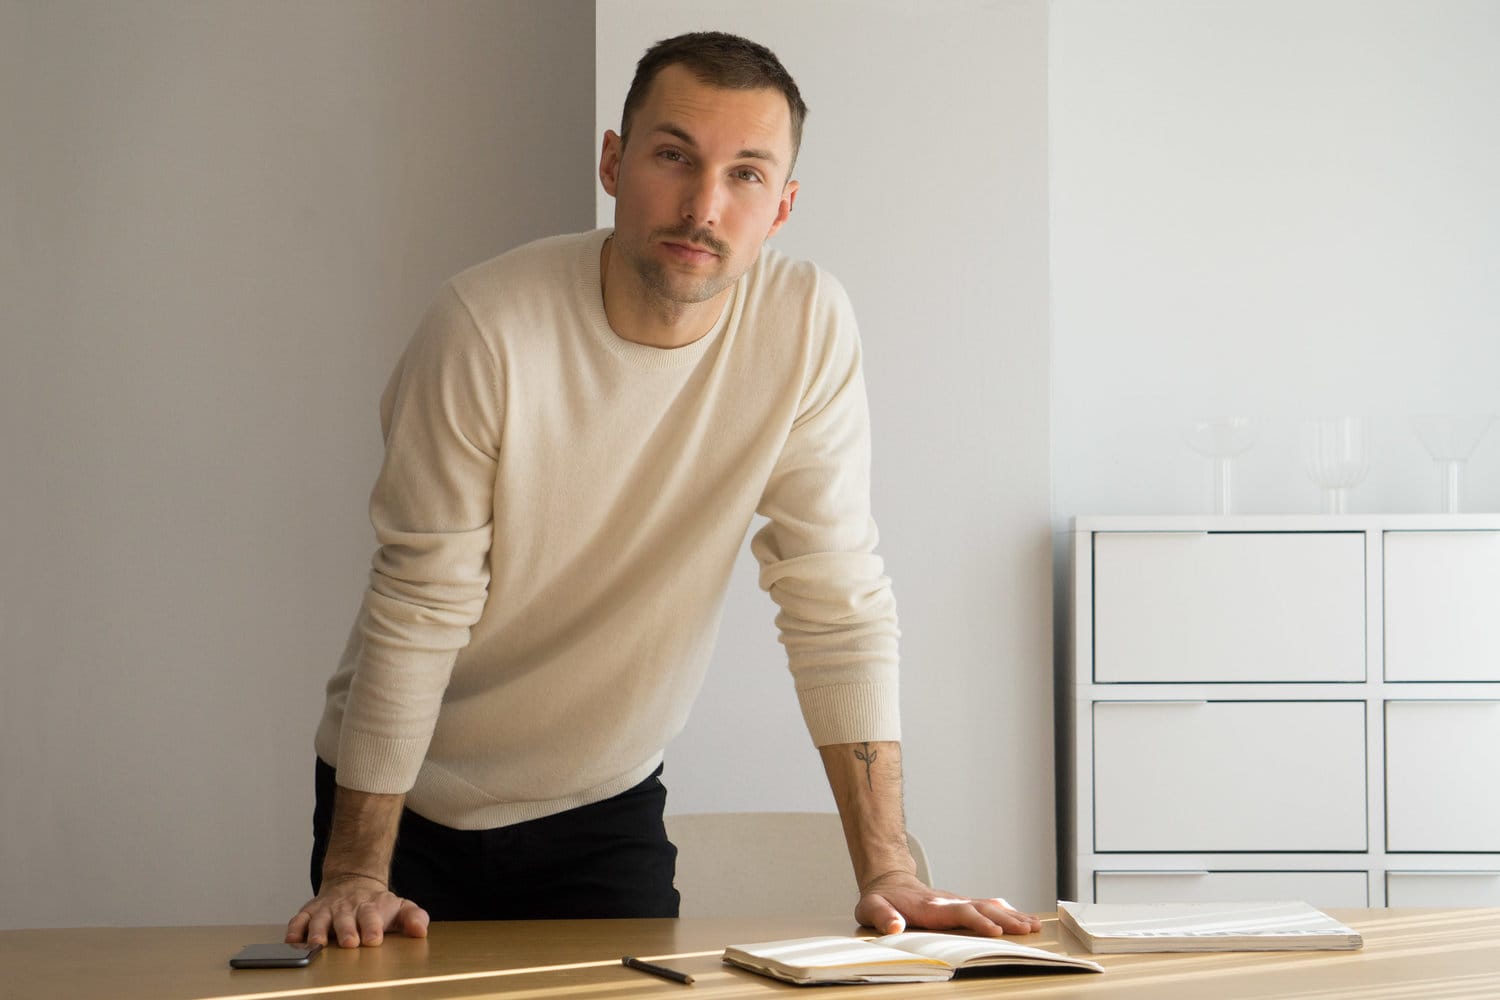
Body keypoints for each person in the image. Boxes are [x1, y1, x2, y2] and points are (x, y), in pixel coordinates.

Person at [285, 30, 1040, 951]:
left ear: (783, 205)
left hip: (603, 802)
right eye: (674, 157)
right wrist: (357, 872)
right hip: (400, 806)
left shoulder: (805, 324)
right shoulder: (485, 328)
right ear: (614, 162)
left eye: (746, 174)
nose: (703, 206)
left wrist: (890, 873)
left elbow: (834, 599)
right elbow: (420, 602)